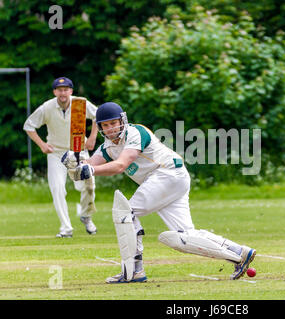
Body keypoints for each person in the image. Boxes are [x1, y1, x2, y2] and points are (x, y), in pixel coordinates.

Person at [62, 102, 256, 283]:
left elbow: (120, 165)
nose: (111, 128)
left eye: (114, 123)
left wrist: (90, 170)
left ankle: (134, 271)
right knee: (184, 236)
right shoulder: (107, 147)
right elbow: (85, 168)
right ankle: (240, 253)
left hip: (167, 174)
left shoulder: (135, 133)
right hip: (170, 180)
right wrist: (73, 163)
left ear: (122, 121)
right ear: (101, 128)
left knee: (126, 213)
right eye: (106, 125)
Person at [24, 77, 98, 238]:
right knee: (57, 189)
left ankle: (86, 216)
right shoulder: (47, 107)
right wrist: (42, 145)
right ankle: (66, 229)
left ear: (71, 91)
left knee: (89, 186)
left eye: (66, 89)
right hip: (56, 153)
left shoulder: (80, 103)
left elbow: (98, 116)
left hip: (78, 150)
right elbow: (29, 125)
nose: (62, 92)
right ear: (54, 92)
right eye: (59, 89)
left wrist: (92, 138)